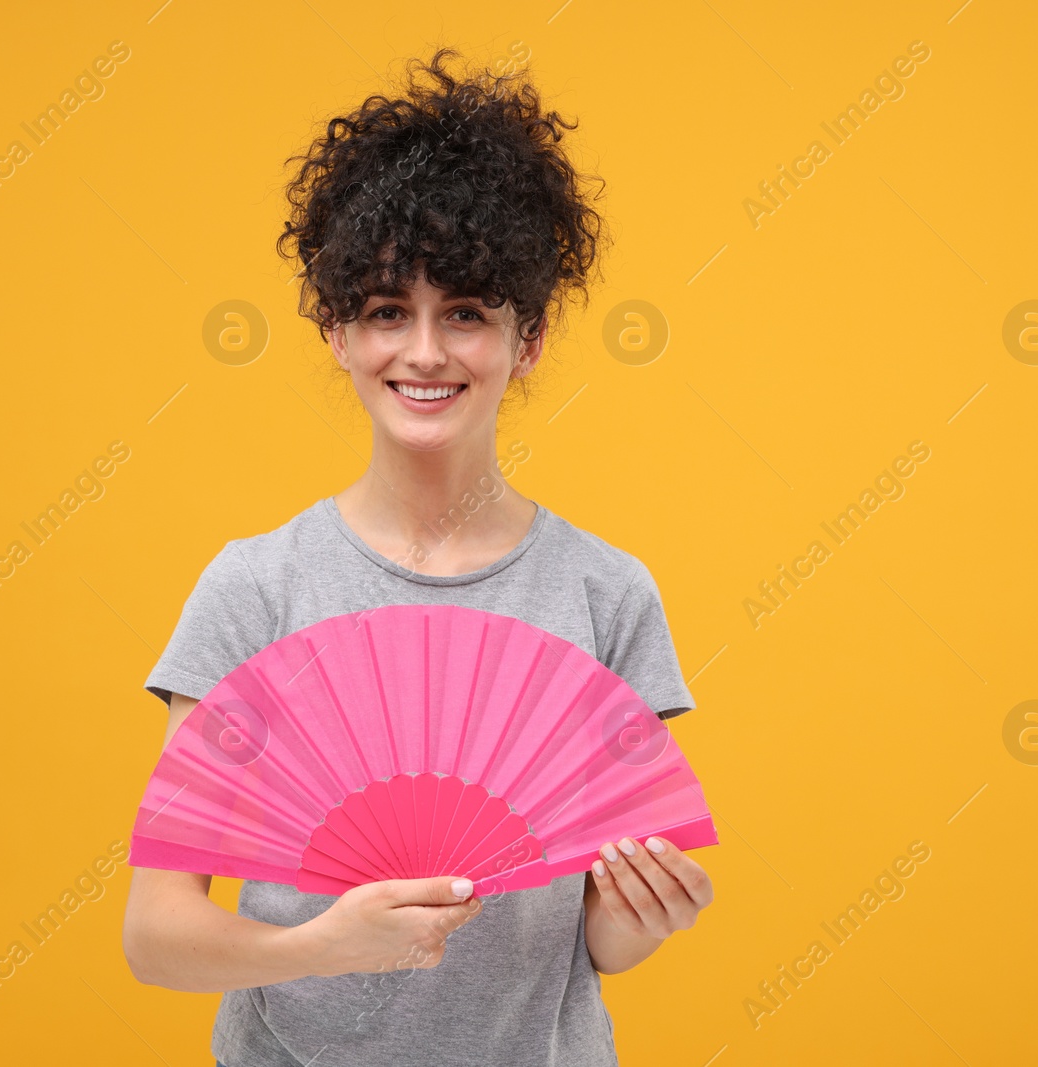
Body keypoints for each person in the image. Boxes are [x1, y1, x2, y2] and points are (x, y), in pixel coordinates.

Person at [121, 46, 714, 1067]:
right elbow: (155, 934)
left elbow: (600, 942)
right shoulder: (256, 588)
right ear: (337, 331)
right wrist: (323, 942)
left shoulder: (605, 592)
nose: (426, 353)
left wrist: (646, 912)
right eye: (388, 311)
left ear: (527, 339)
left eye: (468, 314)